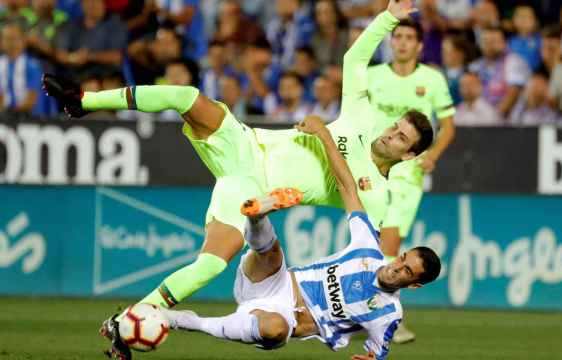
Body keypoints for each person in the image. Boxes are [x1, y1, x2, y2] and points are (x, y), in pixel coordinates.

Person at [42, 2, 432, 359]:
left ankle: (127, 325)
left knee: (211, 264)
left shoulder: (378, 196)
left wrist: (377, 313)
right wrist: (388, 17)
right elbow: (354, 57)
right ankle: (83, 101)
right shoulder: (362, 119)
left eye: (400, 137)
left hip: (251, 192)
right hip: (246, 143)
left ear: (409, 155)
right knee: (186, 97)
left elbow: (373, 253)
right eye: (394, 126)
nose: (389, 134)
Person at [160, 114, 441, 360]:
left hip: (279, 319)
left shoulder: (388, 314)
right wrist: (324, 134)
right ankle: (256, 215)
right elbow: (347, 187)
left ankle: (184, 321)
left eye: (406, 271)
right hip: (270, 280)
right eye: (402, 258)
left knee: (276, 330)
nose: (396, 267)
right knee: (272, 255)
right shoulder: (367, 247)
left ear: (413, 285)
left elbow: (376, 353)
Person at [365, 18, 455, 344]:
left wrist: (433, 155)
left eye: (408, 38)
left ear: (418, 45)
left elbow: (449, 124)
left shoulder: (432, 79)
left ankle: (387, 316)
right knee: (371, 243)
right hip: (372, 170)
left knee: (389, 243)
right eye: (397, 36)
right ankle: (376, 312)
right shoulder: (372, 76)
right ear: (391, 42)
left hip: (408, 176)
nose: (401, 42)